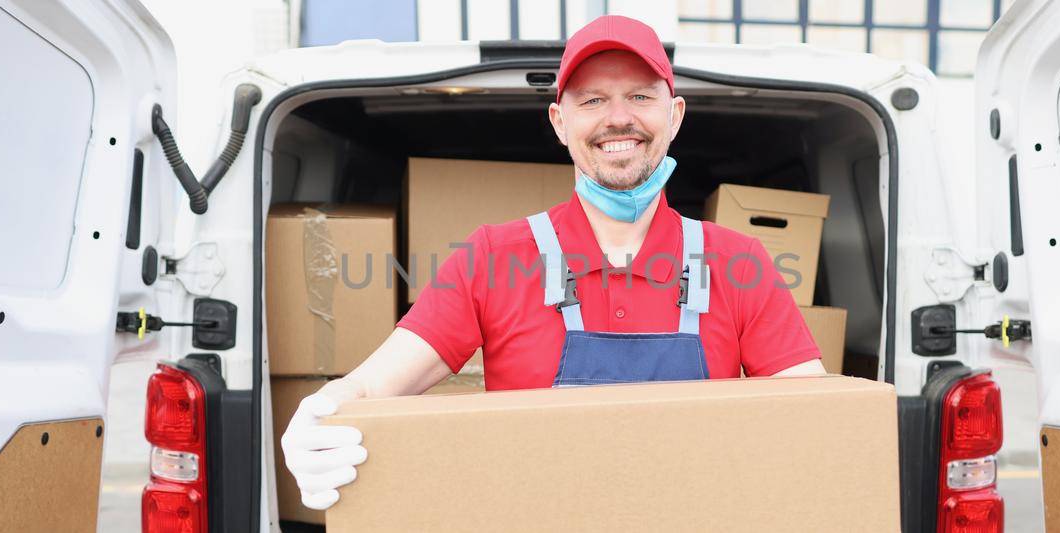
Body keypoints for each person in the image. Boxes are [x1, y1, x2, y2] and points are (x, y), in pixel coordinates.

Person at [280, 15, 825, 511]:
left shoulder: (738, 263)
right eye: (591, 101)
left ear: (674, 114)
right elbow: (373, 386)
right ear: (559, 121)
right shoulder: (493, 257)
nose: (618, 119)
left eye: (639, 96)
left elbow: (817, 419)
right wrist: (322, 416)